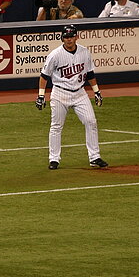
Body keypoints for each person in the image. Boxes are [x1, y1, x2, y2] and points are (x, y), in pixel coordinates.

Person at [36, 25, 108, 170]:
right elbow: (44, 76)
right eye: (66, 37)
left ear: (77, 36)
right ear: (62, 38)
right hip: (60, 93)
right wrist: (41, 95)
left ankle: (94, 157)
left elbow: (90, 74)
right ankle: (54, 159)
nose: (69, 39)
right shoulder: (55, 55)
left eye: (71, 36)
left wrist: (97, 91)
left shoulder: (84, 52)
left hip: (80, 93)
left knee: (91, 121)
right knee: (56, 126)